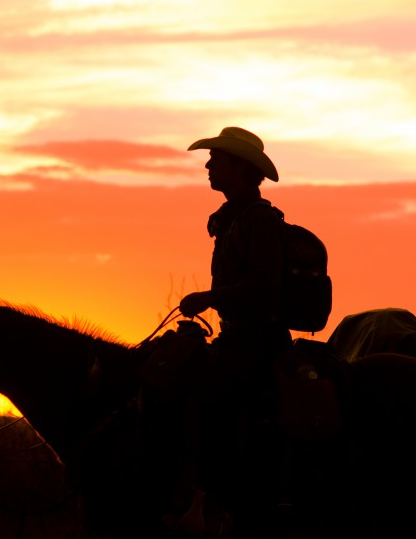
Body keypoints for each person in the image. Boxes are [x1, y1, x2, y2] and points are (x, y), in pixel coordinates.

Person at [170, 127, 292, 536]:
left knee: (208, 394)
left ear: (239, 168)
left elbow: (264, 287)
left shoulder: (257, 220)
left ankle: (210, 500)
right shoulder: (235, 218)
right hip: (240, 336)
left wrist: (210, 297)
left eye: (217, 159)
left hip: (258, 340)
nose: (208, 165)